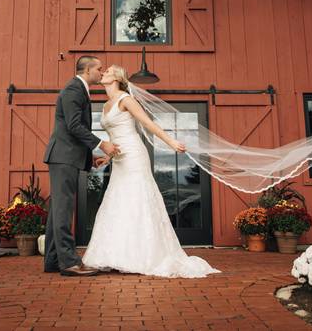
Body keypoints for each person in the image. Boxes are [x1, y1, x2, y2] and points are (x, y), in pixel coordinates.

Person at [82, 65, 221, 278]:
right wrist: (107, 157)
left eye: (108, 71)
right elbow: (116, 135)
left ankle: (144, 256)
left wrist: (171, 141)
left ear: (118, 78)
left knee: (138, 198)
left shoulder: (126, 100)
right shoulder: (106, 104)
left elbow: (147, 124)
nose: (103, 73)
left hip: (134, 157)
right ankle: (117, 254)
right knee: (119, 200)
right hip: (119, 159)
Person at [43, 56, 120, 277]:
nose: (101, 71)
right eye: (99, 68)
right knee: (63, 210)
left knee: (57, 210)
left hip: (67, 156)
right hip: (63, 157)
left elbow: (73, 130)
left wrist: (90, 155)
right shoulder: (73, 89)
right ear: (87, 70)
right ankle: (69, 262)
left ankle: (52, 260)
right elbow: (74, 125)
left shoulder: (79, 89)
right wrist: (101, 144)